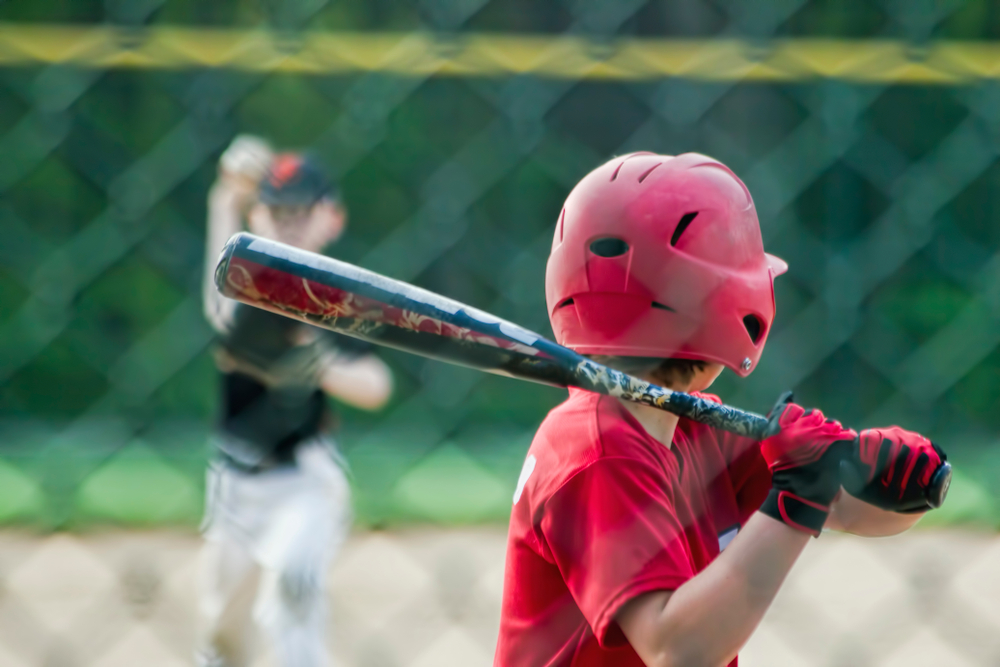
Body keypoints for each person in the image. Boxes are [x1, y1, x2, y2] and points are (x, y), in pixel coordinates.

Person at [494, 152, 947, 667]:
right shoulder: (598, 451)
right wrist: (797, 496)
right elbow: (676, 649)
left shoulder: (695, 427)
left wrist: (889, 479)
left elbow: (845, 508)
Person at [197, 136, 393, 667]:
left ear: (333, 218)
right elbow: (220, 313)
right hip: (234, 480)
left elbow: (376, 384)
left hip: (306, 477)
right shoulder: (248, 285)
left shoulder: (335, 293)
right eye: (277, 210)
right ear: (256, 215)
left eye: (301, 210)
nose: (288, 221)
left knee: (293, 588)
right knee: (222, 633)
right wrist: (224, 198)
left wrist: (321, 367)